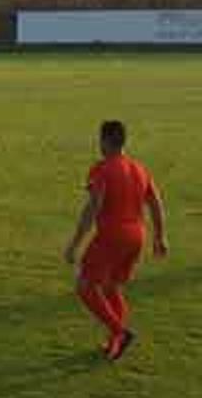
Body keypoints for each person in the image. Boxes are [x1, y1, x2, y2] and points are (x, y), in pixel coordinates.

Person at [64, 121, 167, 362]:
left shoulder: (102, 169)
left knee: (84, 286)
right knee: (111, 288)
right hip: (136, 237)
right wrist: (160, 237)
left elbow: (93, 207)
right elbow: (155, 203)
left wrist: (75, 244)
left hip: (112, 236)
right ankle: (115, 342)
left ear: (106, 141)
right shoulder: (140, 168)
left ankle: (120, 332)